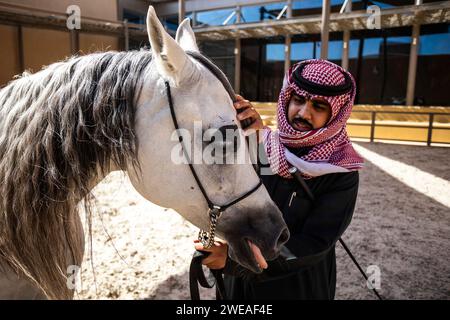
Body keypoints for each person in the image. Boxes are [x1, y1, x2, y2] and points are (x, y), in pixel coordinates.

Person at [194, 59, 364, 300]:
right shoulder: (266, 144)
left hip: (296, 287)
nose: (304, 113)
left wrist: (237, 262)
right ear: (287, 99)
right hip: (239, 288)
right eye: (299, 100)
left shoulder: (339, 173)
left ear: (336, 113)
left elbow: (313, 244)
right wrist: (249, 136)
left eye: (318, 106)